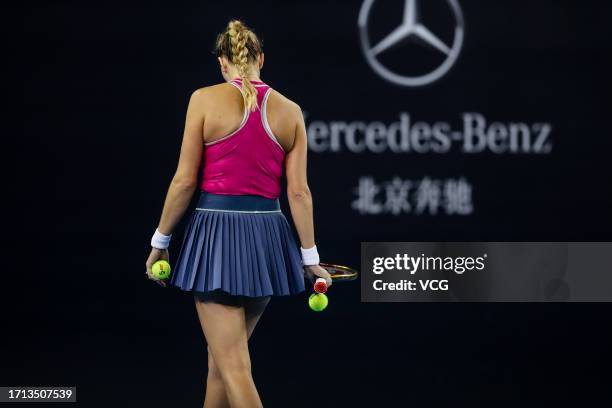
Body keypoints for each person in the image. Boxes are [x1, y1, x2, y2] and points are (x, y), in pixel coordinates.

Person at [144, 20, 331, 408]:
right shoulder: (291, 111)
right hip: (268, 243)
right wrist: (310, 258)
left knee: (233, 366)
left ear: (223, 64)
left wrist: (160, 242)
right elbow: (298, 193)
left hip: (215, 241)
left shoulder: (203, 99)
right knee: (221, 362)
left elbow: (183, 182)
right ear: (261, 58)